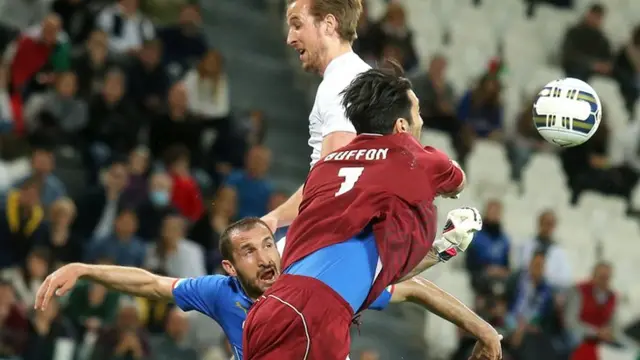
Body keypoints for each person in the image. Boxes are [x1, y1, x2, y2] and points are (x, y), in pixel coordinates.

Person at [242, 65, 500, 359]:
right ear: (402, 126)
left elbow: (380, 276)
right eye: (417, 112)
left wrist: (442, 251)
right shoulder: (413, 157)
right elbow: (457, 181)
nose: (422, 121)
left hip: (266, 310)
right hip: (316, 317)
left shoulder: (325, 169)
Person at [35, 218, 501, 359]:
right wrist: (84, 267)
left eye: (267, 245)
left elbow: (410, 288)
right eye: (249, 253)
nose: (265, 259)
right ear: (229, 265)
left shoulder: (314, 283)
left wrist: (484, 330)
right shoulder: (220, 293)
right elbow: (152, 283)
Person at [260, 0, 372, 232]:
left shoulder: (341, 83)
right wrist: (276, 218)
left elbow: (336, 176)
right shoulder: (361, 76)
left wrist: (275, 218)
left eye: (297, 25)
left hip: (336, 232)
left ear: (329, 24)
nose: (290, 38)